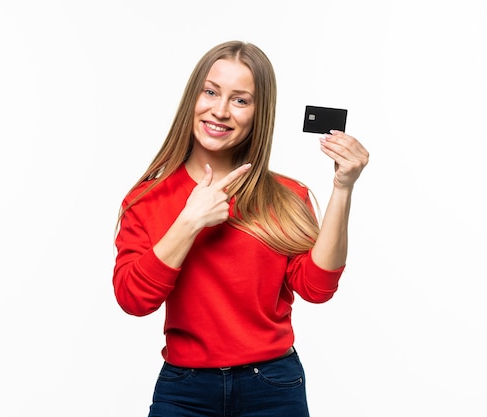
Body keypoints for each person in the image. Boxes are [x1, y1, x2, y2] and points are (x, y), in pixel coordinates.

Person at [112, 40, 369, 417]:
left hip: (273, 386)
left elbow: (317, 288)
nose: (220, 110)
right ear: (193, 98)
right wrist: (189, 221)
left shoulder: (286, 196)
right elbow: (133, 300)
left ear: (257, 114)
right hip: (184, 390)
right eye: (211, 92)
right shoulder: (146, 199)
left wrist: (343, 187)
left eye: (240, 100)